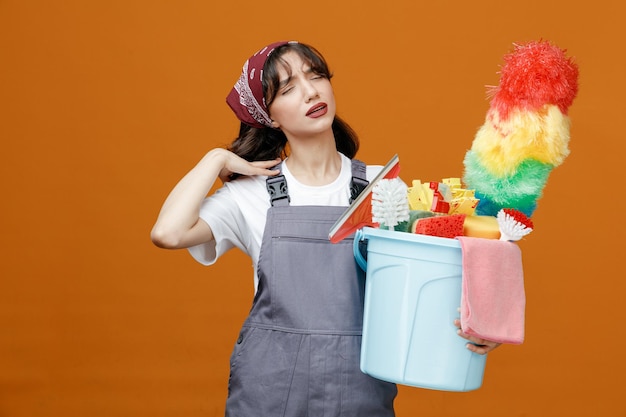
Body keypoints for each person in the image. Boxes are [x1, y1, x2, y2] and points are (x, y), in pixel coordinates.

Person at [151, 40, 500, 416]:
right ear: (268, 116)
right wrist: (216, 158)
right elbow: (167, 233)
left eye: (315, 75)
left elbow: (422, 286)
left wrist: (479, 322)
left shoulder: (381, 187)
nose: (311, 91)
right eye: (288, 89)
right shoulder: (250, 196)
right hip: (269, 390)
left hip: (359, 389)